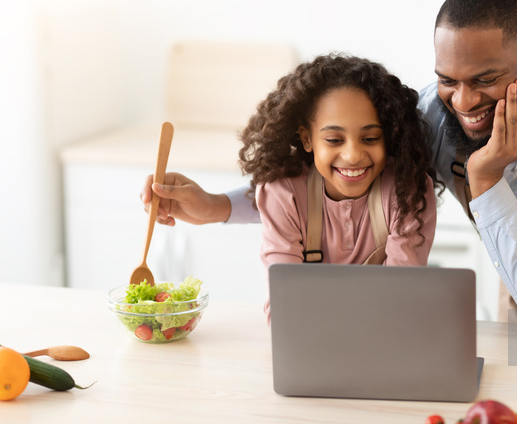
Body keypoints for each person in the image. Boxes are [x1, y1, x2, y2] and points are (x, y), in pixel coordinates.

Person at [141, 0, 517, 333]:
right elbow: (329, 178)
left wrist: (484, 181)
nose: (463, 101)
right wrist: (216, 204)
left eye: (485, 79)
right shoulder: (436, 117)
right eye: (447, 80)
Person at [145, 53, 440, 323]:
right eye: (334, 140)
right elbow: (283, 307)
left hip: (383, 339)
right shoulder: (284, 193)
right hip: (311, 344)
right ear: (307, 139)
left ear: (388, 137)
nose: (352, 155)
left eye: (370, 138)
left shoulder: (407, 190)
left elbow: (402, 298)